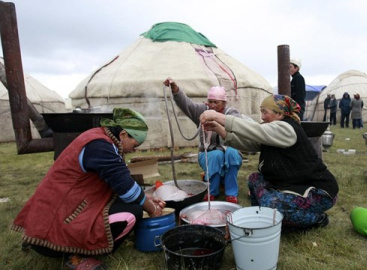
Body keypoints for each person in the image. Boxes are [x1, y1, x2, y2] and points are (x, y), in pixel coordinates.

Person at [11, 108, 165, 269]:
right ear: (123, 134)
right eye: (135, 144)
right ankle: (76, 255)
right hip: (55, 226)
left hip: (44, 221)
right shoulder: (101, 147)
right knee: (133, 213)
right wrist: (152, 209)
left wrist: (146, 198)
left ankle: (41, 240)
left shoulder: (99, 137)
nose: (134, 150)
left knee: (130, 203)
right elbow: (126, 188)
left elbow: (121, 183)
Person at [199, 95, 339, 232]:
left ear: (279, 114)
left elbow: (255, 130)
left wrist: (217, 116)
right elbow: (248, 142)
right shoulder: (273, 132)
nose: (262, 117)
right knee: (255, 179)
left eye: (265, 112)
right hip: (294, 184)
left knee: (272, 208)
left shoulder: (287, 129)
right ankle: (264, 216)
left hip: (319, 191)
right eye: (261, 112)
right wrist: (218, 128)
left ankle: (317, 218)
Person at [163, 78, 243, 204]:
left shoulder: (231, 113)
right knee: (216, 155)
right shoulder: (202, 111)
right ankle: (212, 191)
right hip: (209, 153)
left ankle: (231, 193)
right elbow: (186, 104)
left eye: (216, 102)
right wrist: (175, 89)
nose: (212, 105)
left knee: (232, 152)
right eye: (210, 101)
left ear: (223, 102)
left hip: (229, 152)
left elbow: (239, 127)